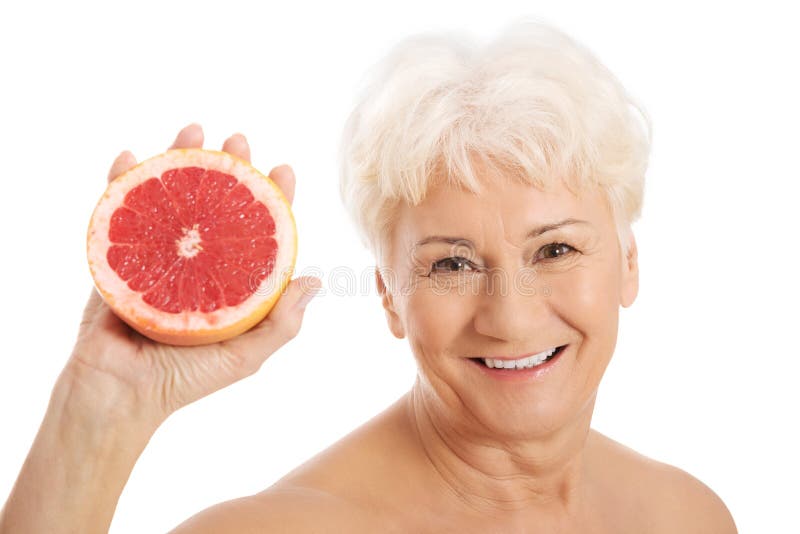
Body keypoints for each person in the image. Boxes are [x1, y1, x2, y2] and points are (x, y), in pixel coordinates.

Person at [0, 20, 737, 533]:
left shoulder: (689, 517)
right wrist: (99, 408)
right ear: (388, 294)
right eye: (451, 263)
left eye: (555, 251)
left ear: (630, 262)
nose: (509, 318)